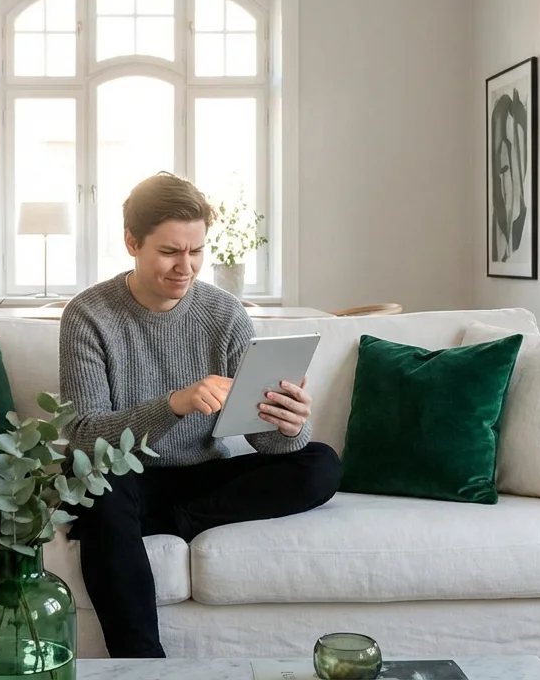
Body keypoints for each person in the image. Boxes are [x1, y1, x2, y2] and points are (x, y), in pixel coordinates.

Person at [58, 171, 342, 659]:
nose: (185, 267)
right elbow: (84, 437)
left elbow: (263, 442)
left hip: (203, 474)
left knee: (320, 462)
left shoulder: (225, 314)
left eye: (195, 251)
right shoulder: (89, 315)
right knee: (98, 485)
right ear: (132, 242)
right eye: (169, 251)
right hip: (125, 474)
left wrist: (288, 426)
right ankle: (143, 667)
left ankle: (165, 520)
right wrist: (173, 404)